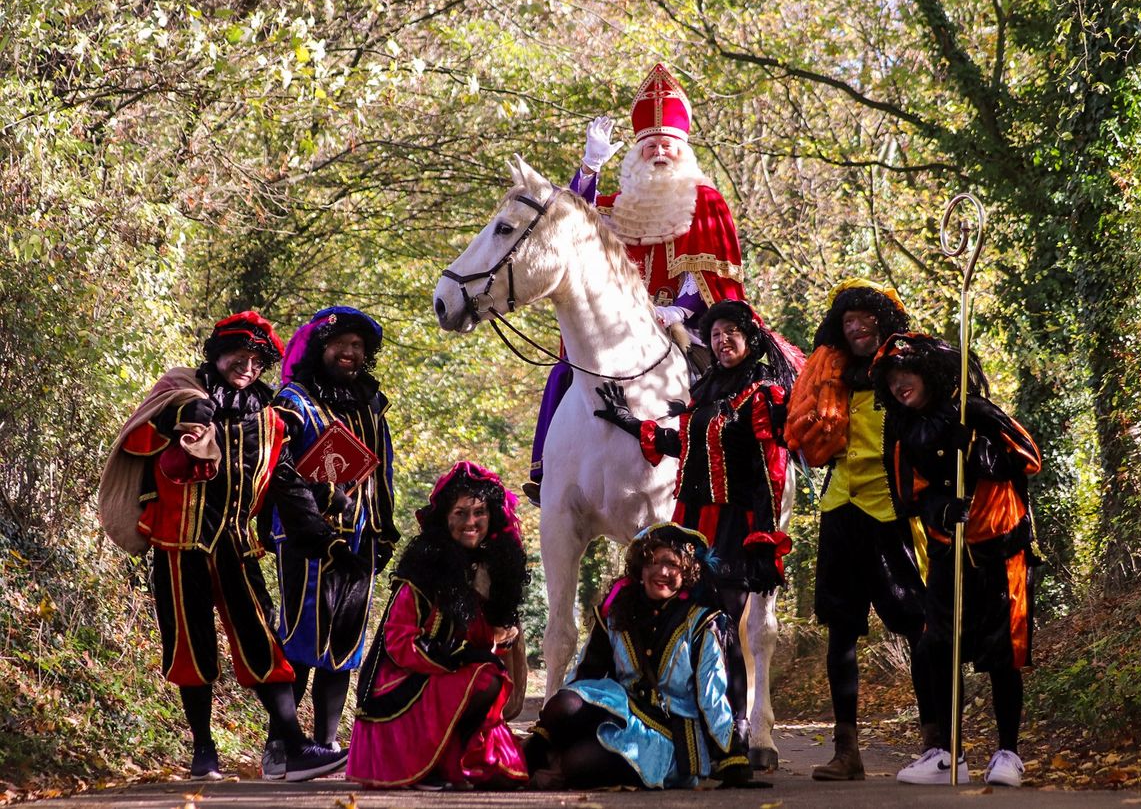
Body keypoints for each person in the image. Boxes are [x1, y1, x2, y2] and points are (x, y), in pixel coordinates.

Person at [98, 311, 356, 781]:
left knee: (263, 642)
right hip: (179, 546)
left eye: (259, 359)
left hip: (236, 546)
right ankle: (203, 751)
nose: (249, 365)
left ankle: (292, 748)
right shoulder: (180, 392)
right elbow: (137, 440)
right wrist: (176, 417)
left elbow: (283, 480)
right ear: (217, 353)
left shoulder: (270, 420)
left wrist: (318, 531)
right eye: (241, 354)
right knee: (190, 648)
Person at [524, 62, 746, 506]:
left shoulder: (704, 199)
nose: (660, 152)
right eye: (651, 146)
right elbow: (572, 221)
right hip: (616, 327)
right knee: (567, 371)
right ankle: (550, 474)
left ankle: (730, 463)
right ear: (637, 153)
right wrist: (589, 166)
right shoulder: (618, 204)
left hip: (686, 326)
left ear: (682, 149)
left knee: (722, 381)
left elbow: (708, 272)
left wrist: (678, 310)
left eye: (668, 145)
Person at [593, 299, 797, 768]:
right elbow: (684, 446)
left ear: (750, 338)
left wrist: (765, 542)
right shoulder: (706, 388)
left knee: (724, 626)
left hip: (734, 525)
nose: (723, 340)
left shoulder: (762, 392)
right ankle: (700, 731)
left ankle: (739, 734)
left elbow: (773, 470)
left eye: (732, 332)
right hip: (691, 526)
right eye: (717, 333)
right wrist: (627, 421)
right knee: (695, 623)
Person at [870, 333, 1041, 786]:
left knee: (1004, 654)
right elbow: (911, 497)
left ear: (928, 373)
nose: (899, 384)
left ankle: (1009, 753)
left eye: (906, 374)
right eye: (891, 378)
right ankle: (947, 754)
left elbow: (1029, 458)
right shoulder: (905, 434)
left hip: (1001, 550)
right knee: (935, 650)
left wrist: (986, 454)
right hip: (950, 552)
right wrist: (940, 508)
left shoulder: (977, 410)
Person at [782, 278, 935, 780]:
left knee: (918, 626)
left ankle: (936, 744)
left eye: (864, 319)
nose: (856, 327)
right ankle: (847, 752)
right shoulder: (832, 376)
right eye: (848, 322)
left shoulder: (907, 372)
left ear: (882, 322)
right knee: (841, 631)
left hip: (893, 513)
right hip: (839, 508)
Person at [256, 306, 399, 779]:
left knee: (346, 642)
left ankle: (326, 745)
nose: (351, 353)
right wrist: (313, 518)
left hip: (359, 539)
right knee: (300, 636)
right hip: (305, 538)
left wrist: (382, 530)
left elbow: (382, 472)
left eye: (359, 347)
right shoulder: (293, 400)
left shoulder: (369, 404)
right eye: (343, 344)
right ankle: (281, 748)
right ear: (321, 347)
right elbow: (276, 466)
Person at [524, 523, 764, 790]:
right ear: (640, 570)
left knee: (577, 763)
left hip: (670, 736)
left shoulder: (703, 622)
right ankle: (530, 759)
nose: (662, 572)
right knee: (564, 704)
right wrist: (553, 724)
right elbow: (586, 674)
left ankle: (558, 767)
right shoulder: (617, 613)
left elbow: (713, 696)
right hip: (619, 713)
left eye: (671, 564)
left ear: (686, 571)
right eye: (652, 562)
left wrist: (733, 758)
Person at [345, 461, 529, 790]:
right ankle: (437, 762)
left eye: (479, 513)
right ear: (444, 518)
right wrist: (463, 656)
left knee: (507, 769)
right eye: (460, 513)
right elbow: (399, 643)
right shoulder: (422, 570)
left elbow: (480, 642)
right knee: (485, 676)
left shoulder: (489, 569)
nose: (471, 522)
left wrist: (497, 640)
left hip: (448, 681)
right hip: (404, 681)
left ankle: (454, 755)